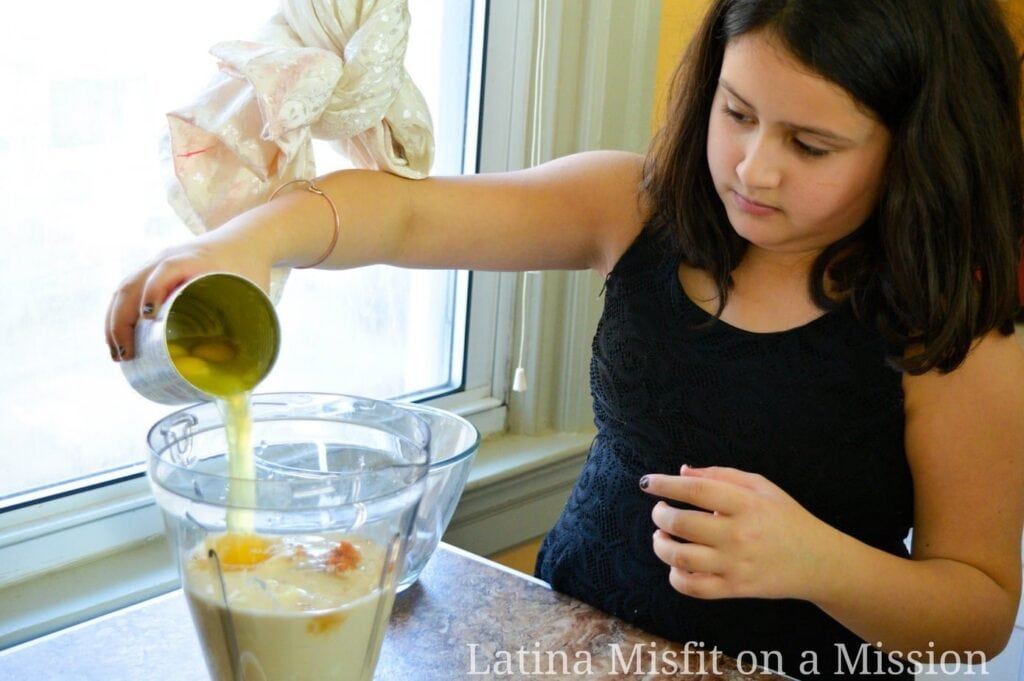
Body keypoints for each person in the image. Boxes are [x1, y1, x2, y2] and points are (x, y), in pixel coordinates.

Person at [106, 0, 1024, 677]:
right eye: (736, 113)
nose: (753, 167)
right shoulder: (634, 209)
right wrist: (249, 239)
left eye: (811, 145)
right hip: (563, 649)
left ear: (917, 148)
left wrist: (817, 561)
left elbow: (978, 610)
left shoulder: (952, 328)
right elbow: (410, 216)